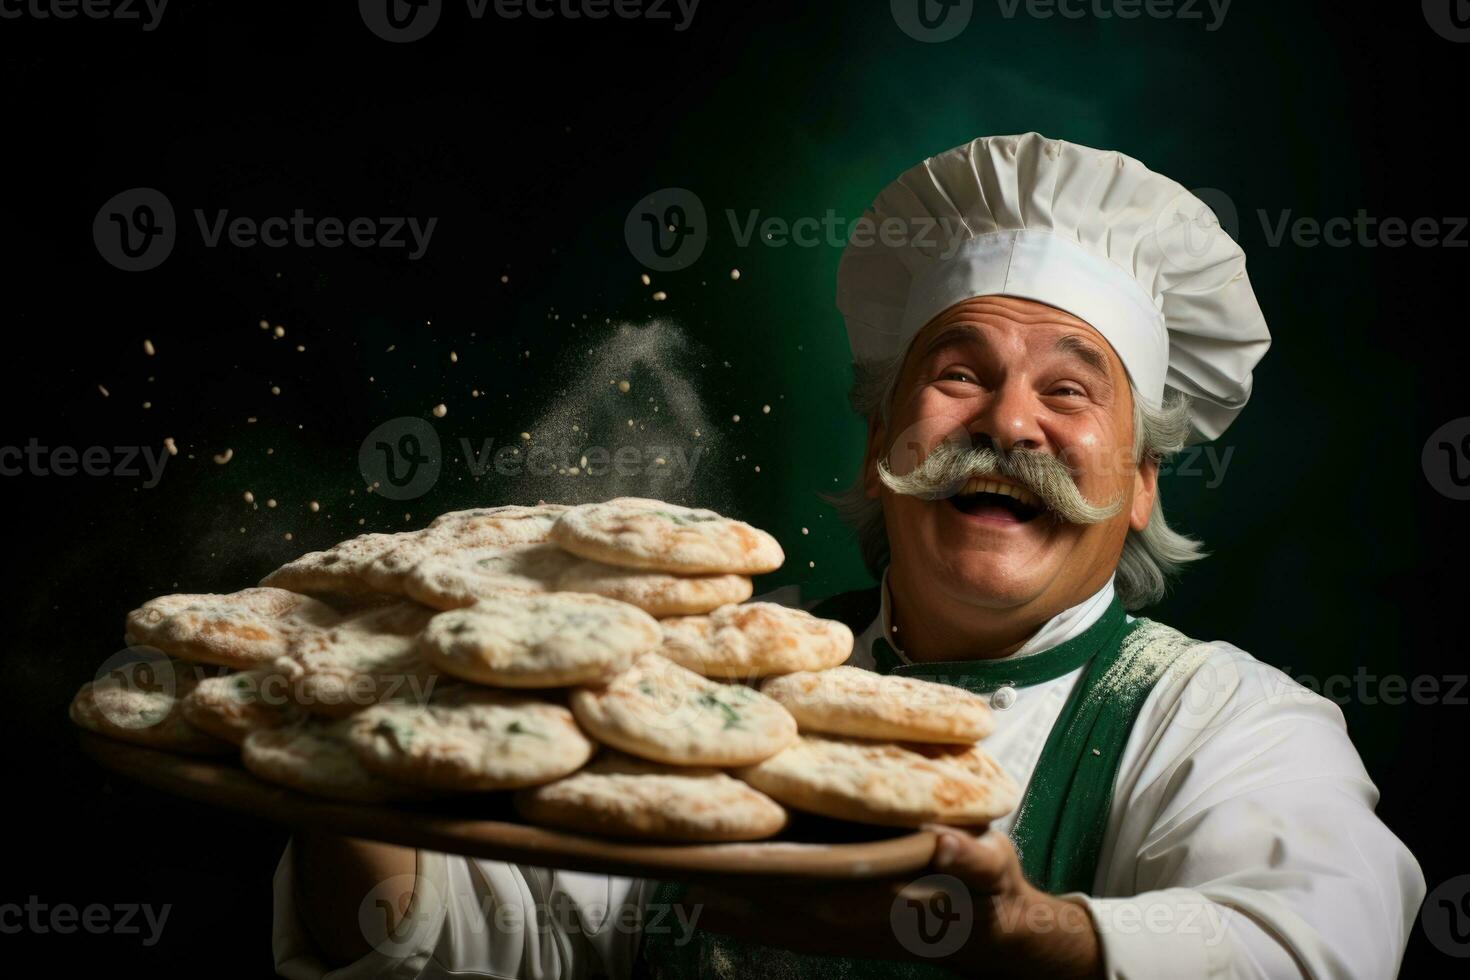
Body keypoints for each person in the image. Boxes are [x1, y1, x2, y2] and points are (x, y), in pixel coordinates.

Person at [272, 132, 1425, 979]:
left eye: (1069, 388)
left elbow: (1317, 939)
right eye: (959, 372)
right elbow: (470, 936)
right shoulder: (703, 689)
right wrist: (349, 734)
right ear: (880, 445)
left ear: (1138, 486)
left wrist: (1023, 932)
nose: (1009, 423)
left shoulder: (1224, 720)